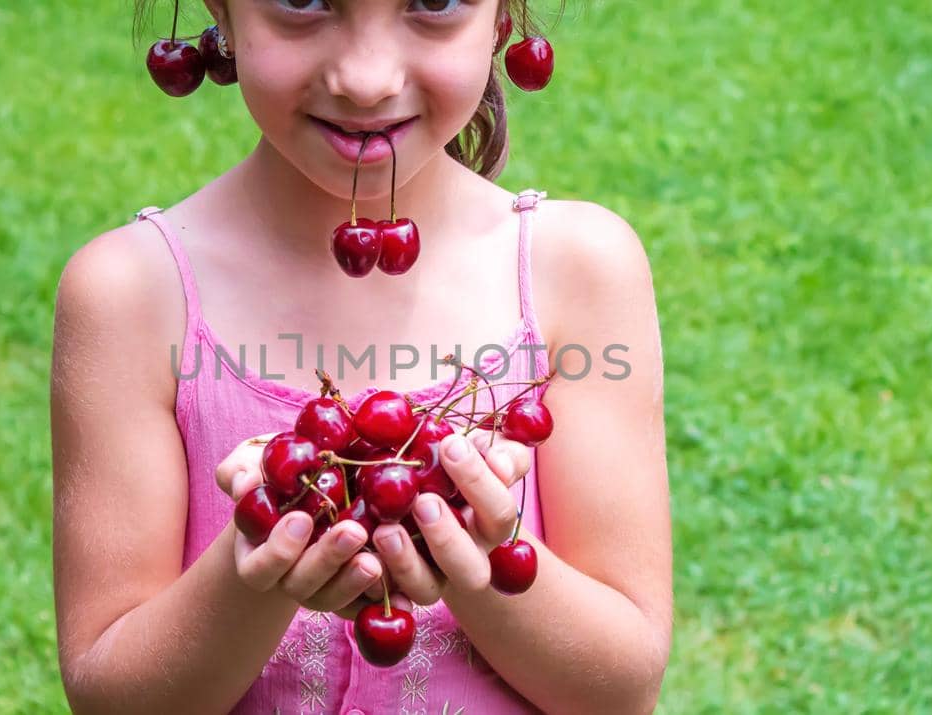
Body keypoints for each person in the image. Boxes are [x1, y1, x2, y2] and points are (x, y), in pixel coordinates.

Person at [49, 1, 672, 712]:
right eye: (304, 0)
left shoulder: (577, 272)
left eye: (433, 3)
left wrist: (472, 559)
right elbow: (111, 698)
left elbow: (623, 688)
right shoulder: (131, 294)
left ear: (502, 18)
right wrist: (253, 568)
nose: (367, 78)